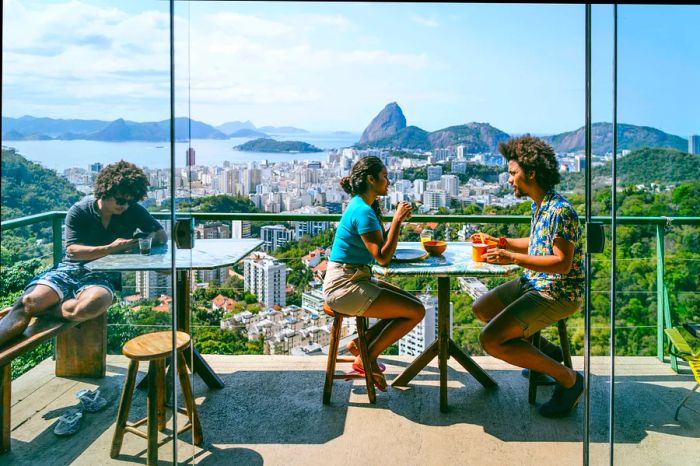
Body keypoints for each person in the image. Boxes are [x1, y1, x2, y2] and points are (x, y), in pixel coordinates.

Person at [471, 135, 584, 418]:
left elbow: (561, 263)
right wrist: (503, 243)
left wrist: (512, 258)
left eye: (513, 173)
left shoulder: (560, 211)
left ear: (530, 173)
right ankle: (549, 354)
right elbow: (537, 243)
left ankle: (569, 380)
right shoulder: (540, 205)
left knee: (491, 340)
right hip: (533, 281)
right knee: (482, 308)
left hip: (556, 292)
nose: (509, 179)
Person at [0, 160, 167, 347]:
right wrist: (112, 248)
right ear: (105, 191)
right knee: (29, 301)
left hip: (104, 275)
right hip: (70, 268)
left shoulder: (133, 211)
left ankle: (46, 309)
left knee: (90, 305)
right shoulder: (80, 211)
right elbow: (73, 251)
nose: (125, 206)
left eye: (130, 201)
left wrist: (141, 242)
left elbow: (161, 234)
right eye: (121, 200)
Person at [323, 156, 425, 391]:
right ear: (371, 179)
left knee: (410, 304)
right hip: (344, 286)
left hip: (355, 277)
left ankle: (362, 344)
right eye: (384, 177)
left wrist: (395, 224)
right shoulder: (363, 211)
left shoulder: (361, 206)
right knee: (416, 311)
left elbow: (377, 244)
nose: (388, 182)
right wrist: (398, 220)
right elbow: (382, 257)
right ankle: (367, 356)